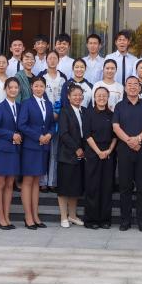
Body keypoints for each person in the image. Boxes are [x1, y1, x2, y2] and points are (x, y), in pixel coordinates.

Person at [112, 76, 142, 232]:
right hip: (124, 150)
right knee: (125, 187)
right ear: (125, 88)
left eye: (135, 84)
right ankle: (125, 220)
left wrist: (137, 139)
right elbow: (115, 126)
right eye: (129, 84)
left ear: (140, 88)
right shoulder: (119, 106)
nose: (132, 87)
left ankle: (141, 221)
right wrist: (129, 141)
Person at [18, 76, 54, 229]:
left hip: (43, 147)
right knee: (28, 181)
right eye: (36, 86)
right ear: (31, 87)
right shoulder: (26, 103)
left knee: (37, 181)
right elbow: (22, 125)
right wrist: (38, 136)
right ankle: (28, 217)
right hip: (30, 147)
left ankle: (35, 215)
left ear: (45, 88)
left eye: (41, 86)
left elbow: (52, 124)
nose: (39, 88)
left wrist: (49, 134)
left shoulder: (48, 104)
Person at [0, 77, 23, 230]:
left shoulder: (20, 107)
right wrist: (11, 135)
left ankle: (7, 216)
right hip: (3, 149)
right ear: (5, 89)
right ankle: (0, 217)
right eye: (11, 87)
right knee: (0, 183)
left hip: (15, 150)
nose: (13, 90)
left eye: (16, 87)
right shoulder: (0, 107)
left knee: (10, 183)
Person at [83, 86, 117, 229]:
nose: (101, 98)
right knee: (93, 186)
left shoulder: (112, 114)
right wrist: (98, 152)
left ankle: (105, 219)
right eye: (99, 95)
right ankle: (91, 220)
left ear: (108, 97)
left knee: (106, 187)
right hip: (93, 153)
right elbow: (87, 135)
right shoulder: (89, 113)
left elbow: (115, 136)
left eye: (104, 95)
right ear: (94, 97)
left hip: (108, 153)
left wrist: (109, 150)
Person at [56, 84, 86, 228]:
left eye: (80, 95)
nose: (77, 97)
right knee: (64, 187)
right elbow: (64, 134)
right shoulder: (64, 111)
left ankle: (72, 216)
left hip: (81, 155)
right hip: (67, 155)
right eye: (74, 95)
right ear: (68, 96)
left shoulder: (84, 111)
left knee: (75, 187)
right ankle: (63, 217)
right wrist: (76, 148)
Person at [40, 49, 68, 191]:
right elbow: (38, 94)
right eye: (49, 58)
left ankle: (53, 181)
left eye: (54, 58)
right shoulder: (41, 76)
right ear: (46, 60)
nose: (52, 60)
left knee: (55, 151)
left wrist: (58, 113)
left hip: (58, 118)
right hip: (43, 118)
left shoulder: (63, 78)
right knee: (43, 150)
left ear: (58, 60)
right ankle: (42, 181)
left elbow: (64, 98)